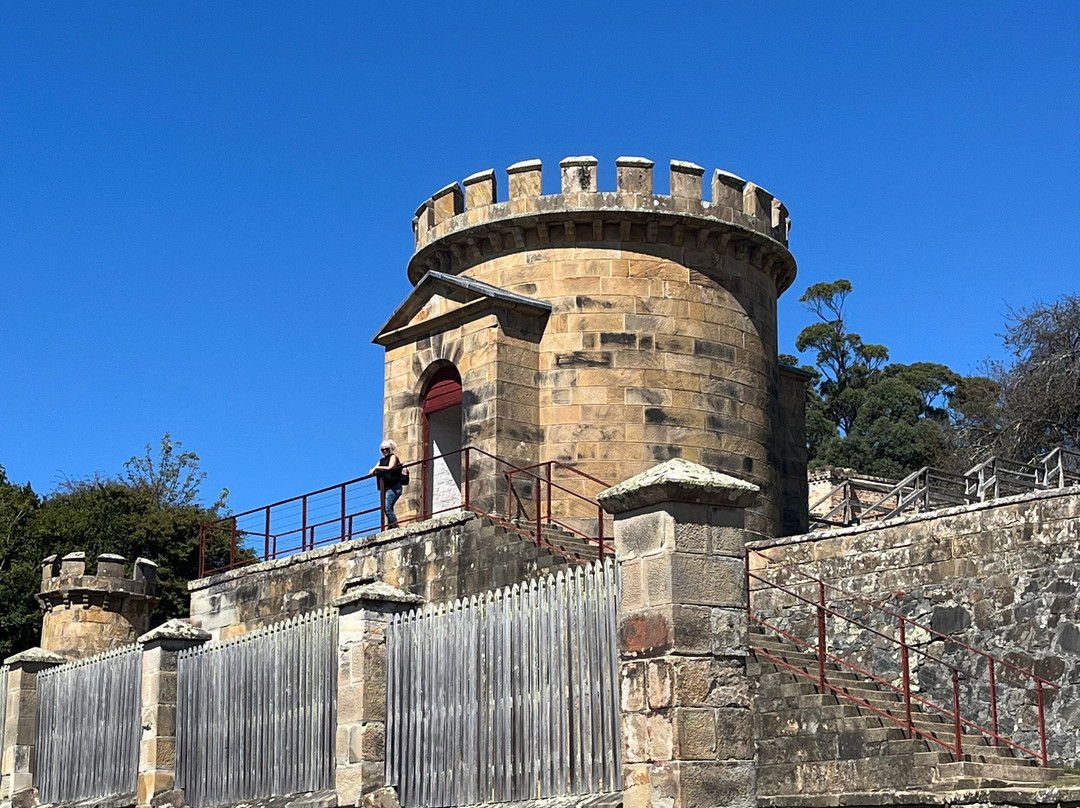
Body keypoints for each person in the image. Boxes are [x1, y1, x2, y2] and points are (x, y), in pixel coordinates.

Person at [370, 440, 403, 528]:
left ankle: (395, 525)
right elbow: (372, 471)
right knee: (388, 507)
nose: (384, 451)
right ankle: (391, 526)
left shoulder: (393, 457)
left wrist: (377, 468)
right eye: (382, 449)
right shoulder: (381, 461)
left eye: (386, 449)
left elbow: (390, 467)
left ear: (390, 449)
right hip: (385, 487)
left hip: (394, 486)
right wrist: (374, 469)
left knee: (387, 507)